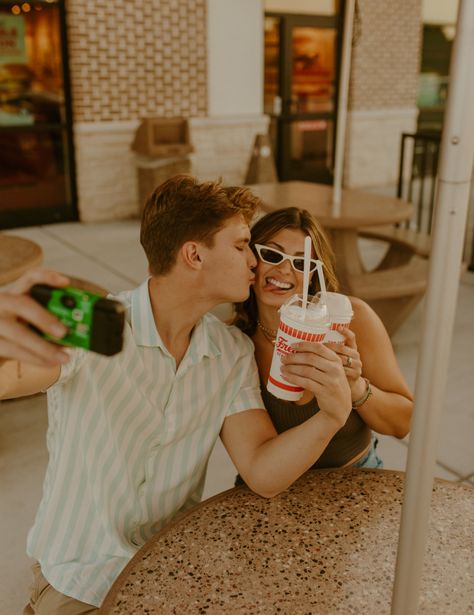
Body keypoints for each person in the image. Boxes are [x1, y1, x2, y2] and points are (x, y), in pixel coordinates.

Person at [0, 176, 352, 615]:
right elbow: (11, 376)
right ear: (194, 254)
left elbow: (262, 470)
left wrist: (330, 417)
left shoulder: (230, 352)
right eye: (243, 246)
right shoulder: (92, 324)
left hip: (165, 575)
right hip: (78, 581)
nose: (256, 264)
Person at [234, 206, 413, 470]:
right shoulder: (236, 342)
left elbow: (403, 423)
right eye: (272, 254)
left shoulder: (351, 320)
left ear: (313, 275)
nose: (284, 270)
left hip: (354, 477)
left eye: (301, 262)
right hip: (271, 488)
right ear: (252, 260)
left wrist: (354, 386)